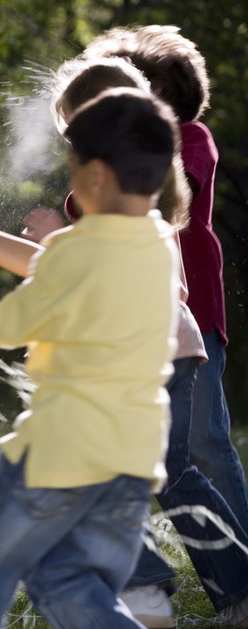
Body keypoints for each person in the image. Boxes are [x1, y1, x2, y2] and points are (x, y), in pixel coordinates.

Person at [0, 87, 180, 629]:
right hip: (130, 462)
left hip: (56, 454)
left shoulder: (74, 250)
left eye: (71, 167)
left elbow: (7, 327)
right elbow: (64, 265)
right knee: (66, 583)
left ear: (95, 175)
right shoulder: (159, 243)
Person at [36, 56, 248, 629]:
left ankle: (153, 588)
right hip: (154, 342)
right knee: (166, 464)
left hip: (166, 341)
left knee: (160, 461)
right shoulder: (124, 171)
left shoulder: (150, 165)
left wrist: (56, 241)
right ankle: (198, 587)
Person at [81, 26, 247, 538]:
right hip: (132, 319)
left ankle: (241, 547)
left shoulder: (192, 141)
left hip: (189, 316)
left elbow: (173, 192)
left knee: (205, 441)